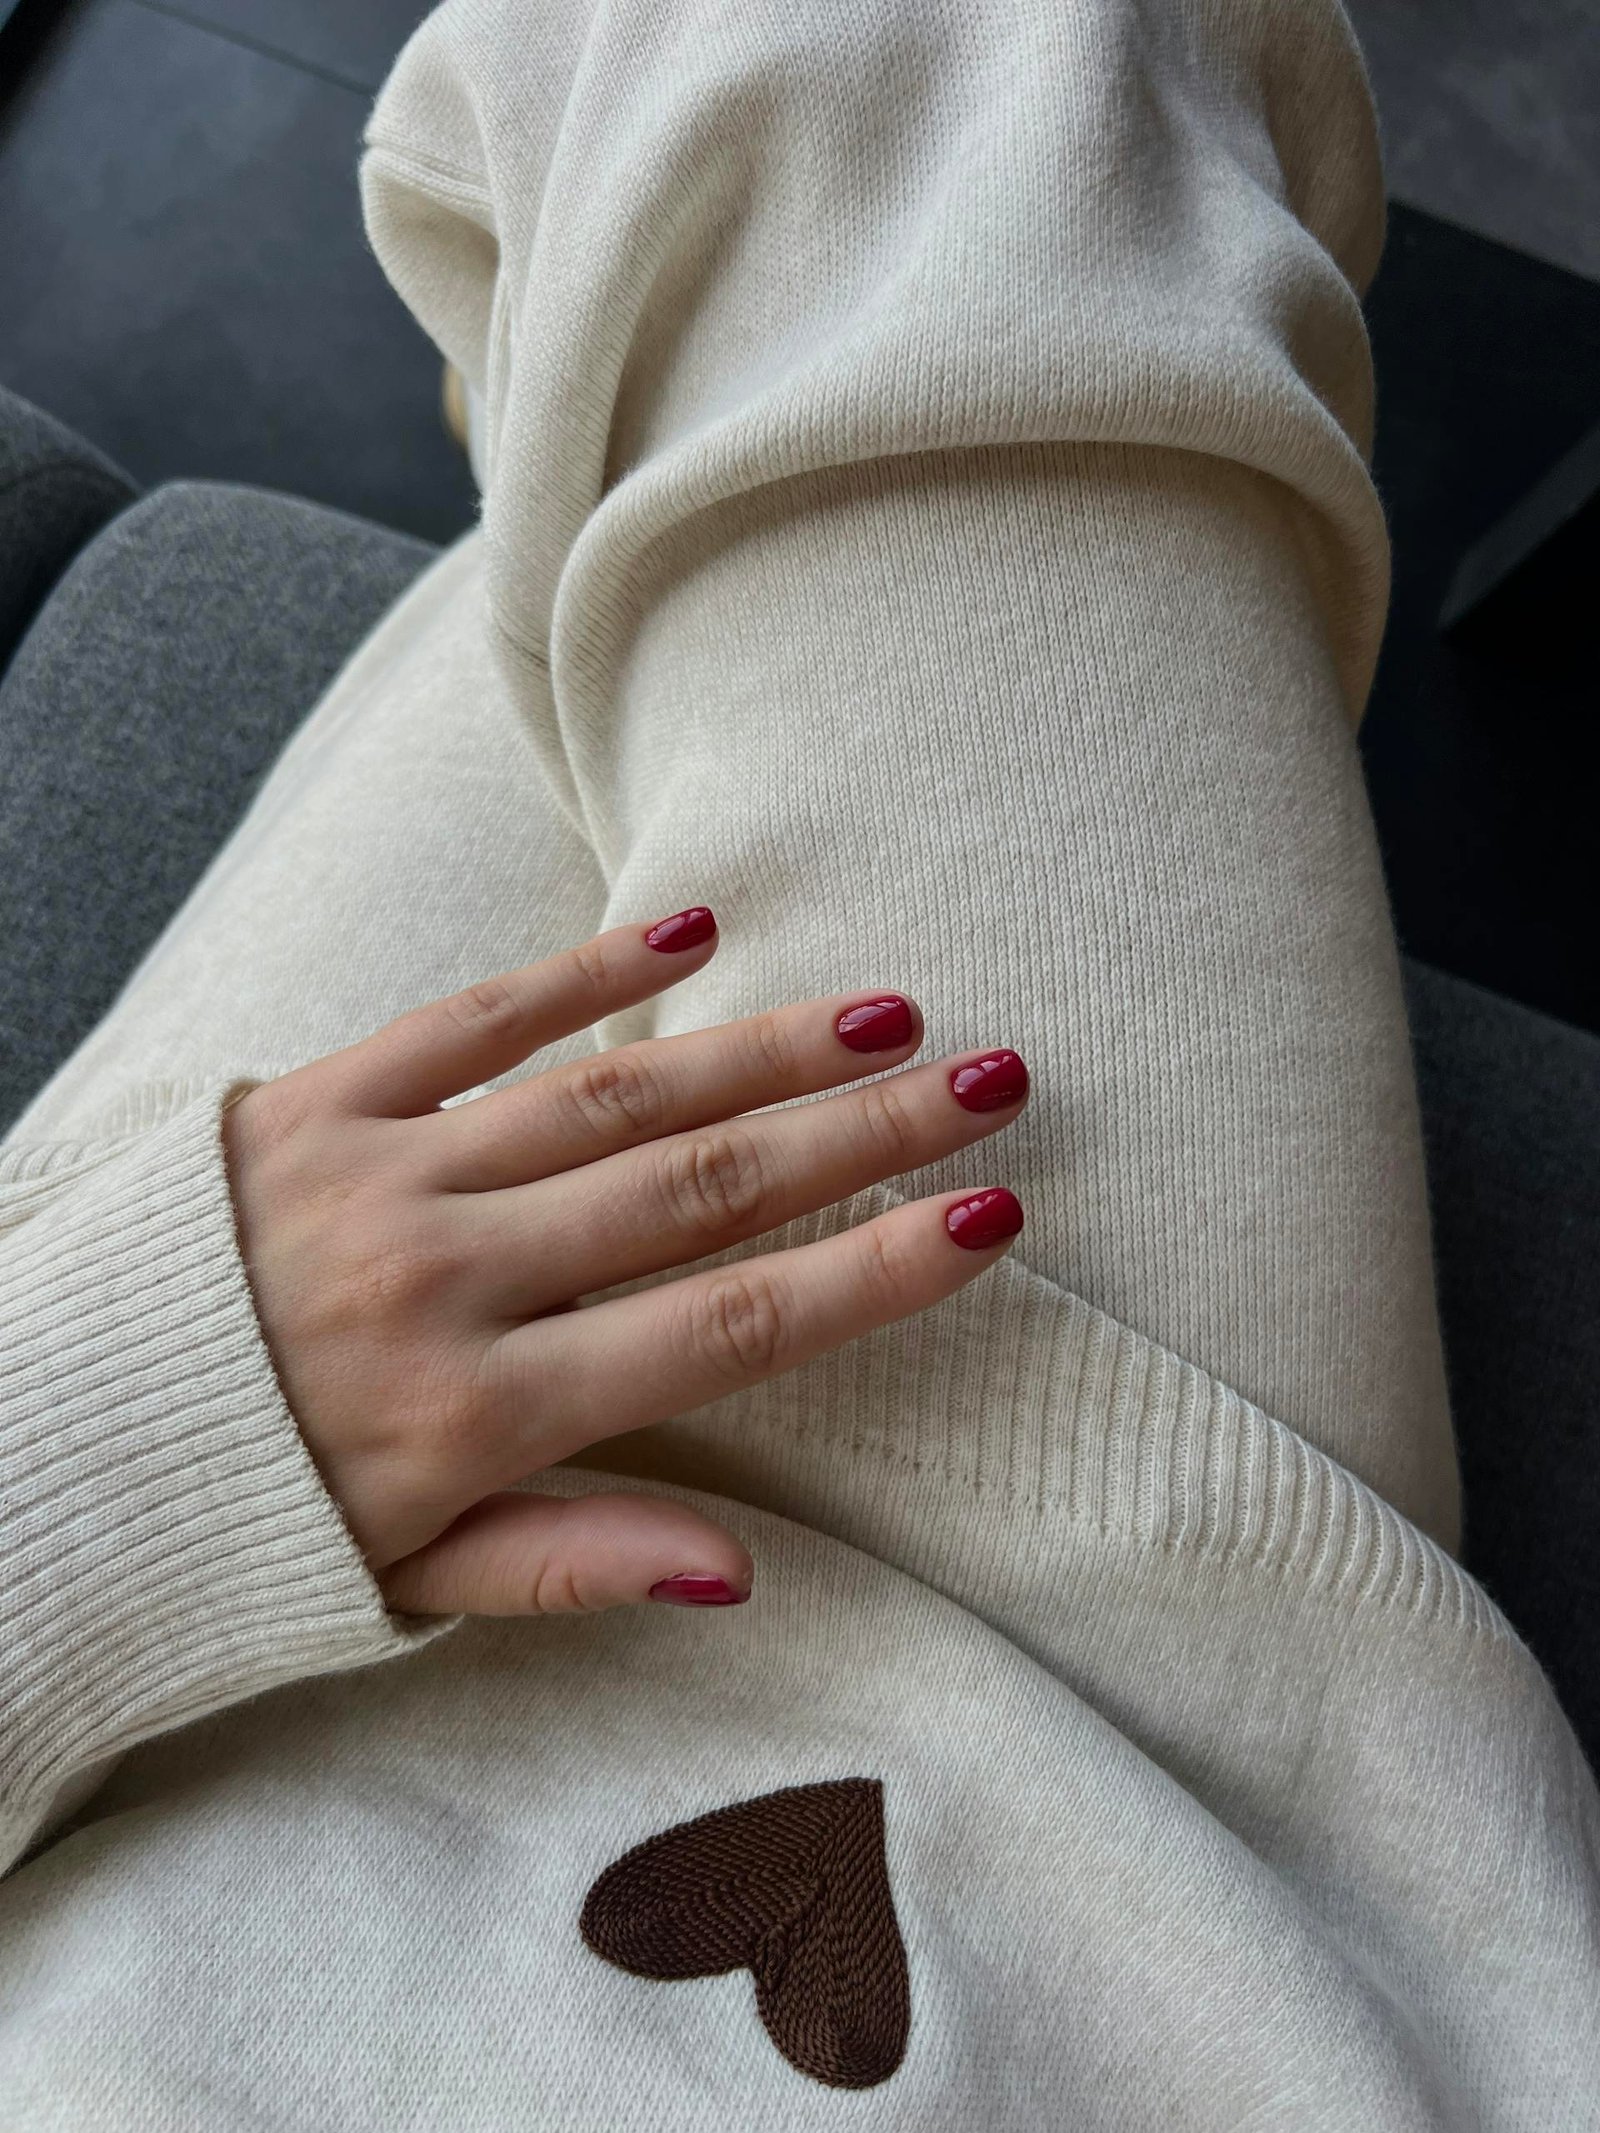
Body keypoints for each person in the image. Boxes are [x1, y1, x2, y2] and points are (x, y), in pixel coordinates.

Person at [1, 0, 1596, 2123]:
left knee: (680, 334)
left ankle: (555, 413)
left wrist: (98, 1460)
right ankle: (555, 403)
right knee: (933, 66)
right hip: (1141, 1753)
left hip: (125, 1616)